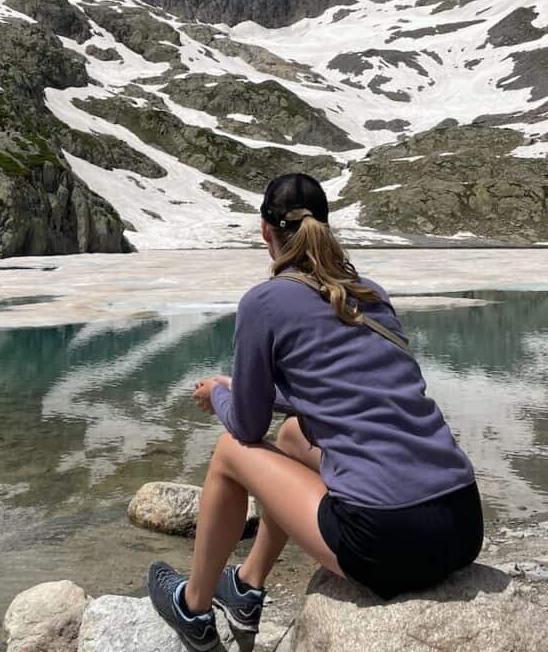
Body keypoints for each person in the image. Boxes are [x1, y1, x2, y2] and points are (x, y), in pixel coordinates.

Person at [147, 172, 483, 651]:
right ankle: (246, 584)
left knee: (229, 451)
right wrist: (235, 384)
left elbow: (246, 423)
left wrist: (218, 396)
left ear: (267, 232)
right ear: (325, 228)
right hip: (464, 523)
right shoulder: (370, 294)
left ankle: (194, 607)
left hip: (387, 540)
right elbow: (349, 390)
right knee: (290, 438)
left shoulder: (264, 301)